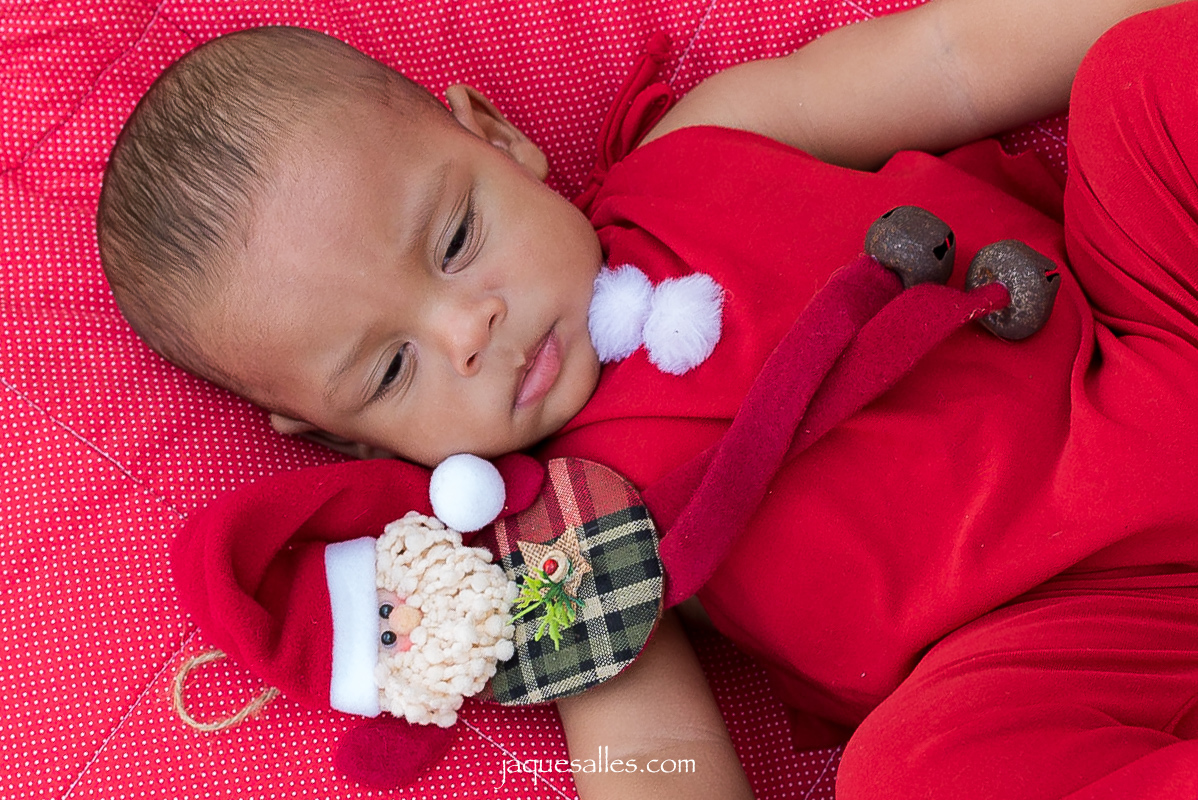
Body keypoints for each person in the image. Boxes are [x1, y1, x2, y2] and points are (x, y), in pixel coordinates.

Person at [96, 1, 1198, 798]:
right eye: (392, 369)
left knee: (1144, 76)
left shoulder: (709, 141)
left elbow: (949, 54)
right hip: (1068, 632)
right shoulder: (566, 534)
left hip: (1146, 328)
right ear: (339, 430)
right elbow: (649, 760)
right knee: (918, 775)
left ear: (494, 138)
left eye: (455, 238)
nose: (467, 328)